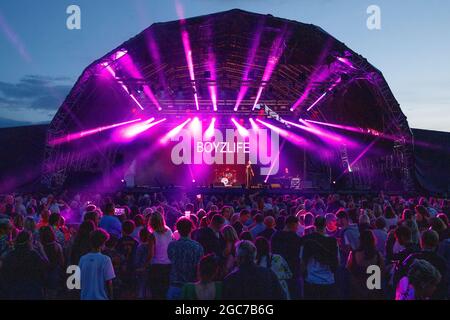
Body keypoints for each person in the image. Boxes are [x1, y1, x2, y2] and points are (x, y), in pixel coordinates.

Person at [396, 230, 447, 299]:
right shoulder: (441, 261)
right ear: (436, 243)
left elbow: (400, 277)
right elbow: (444, 284)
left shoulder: (411, 258)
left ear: (421, 242)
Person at [0, 231, 48, 299]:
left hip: (14, 291)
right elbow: (46, 266)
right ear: (28, 241)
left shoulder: (10, 255)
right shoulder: (33, 255)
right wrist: (42, 250)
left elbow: (4, 274)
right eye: (31, 240)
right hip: (32, 291)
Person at [301, 216, 339, 300]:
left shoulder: (307, 240)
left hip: (311, 279)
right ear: (325, 225)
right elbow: (337, 261)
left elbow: (302, 261)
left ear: (314, 226)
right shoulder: (333, 241)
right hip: (328, 280)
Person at [167, 217, 204, 300]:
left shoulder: (172, 245)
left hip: (174, 285)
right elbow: (199, 268)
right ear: (191, 229)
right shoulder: (197, 247)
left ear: (178, 229)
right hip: (190, 286)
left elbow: (170, 259)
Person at [346, 230, 385, 299]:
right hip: (373, 292)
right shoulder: (378, 255)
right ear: (373, 240)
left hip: (357, 290)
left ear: (360, 240)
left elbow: (348, 271)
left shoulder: (353, 254)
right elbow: (381, 273)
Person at [79, 229, 115, 300]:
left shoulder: (82, 259)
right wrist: (111, 297)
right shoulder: (106, 260)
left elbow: (78, 280)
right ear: (102, 244)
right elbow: (109, 282)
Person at [148, 211, 173, 299]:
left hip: (156, 266)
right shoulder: (169, 231)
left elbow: (151, 254)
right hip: (168, 265)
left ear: (151, 222)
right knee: (165, 292)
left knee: (156, 293)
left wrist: (145, 265)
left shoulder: (152, 235)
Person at [39, 226, 65, 299]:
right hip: (55, 274)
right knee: (53, 295)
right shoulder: (57, 246)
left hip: (43, 274)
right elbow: (62, 262)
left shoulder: (40, 247)